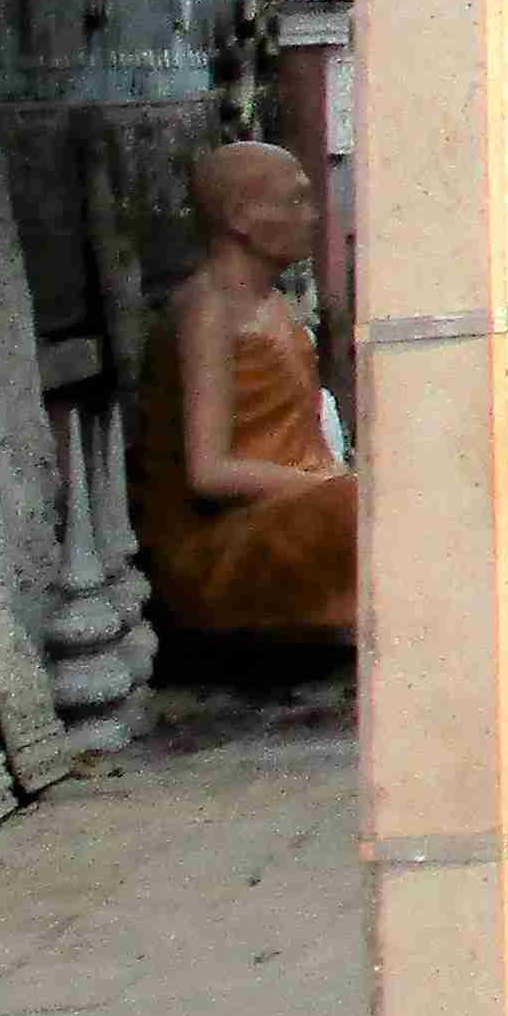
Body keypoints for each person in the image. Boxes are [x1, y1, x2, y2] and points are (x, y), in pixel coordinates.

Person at [134, 141, 358, 643]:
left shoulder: (272, 302)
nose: (313, 216)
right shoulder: (208, 311)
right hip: (217, 544)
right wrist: (329, 488)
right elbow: (209, 473)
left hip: (289, 511)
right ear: (239, 216)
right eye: (295, 201)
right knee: (366, 508)